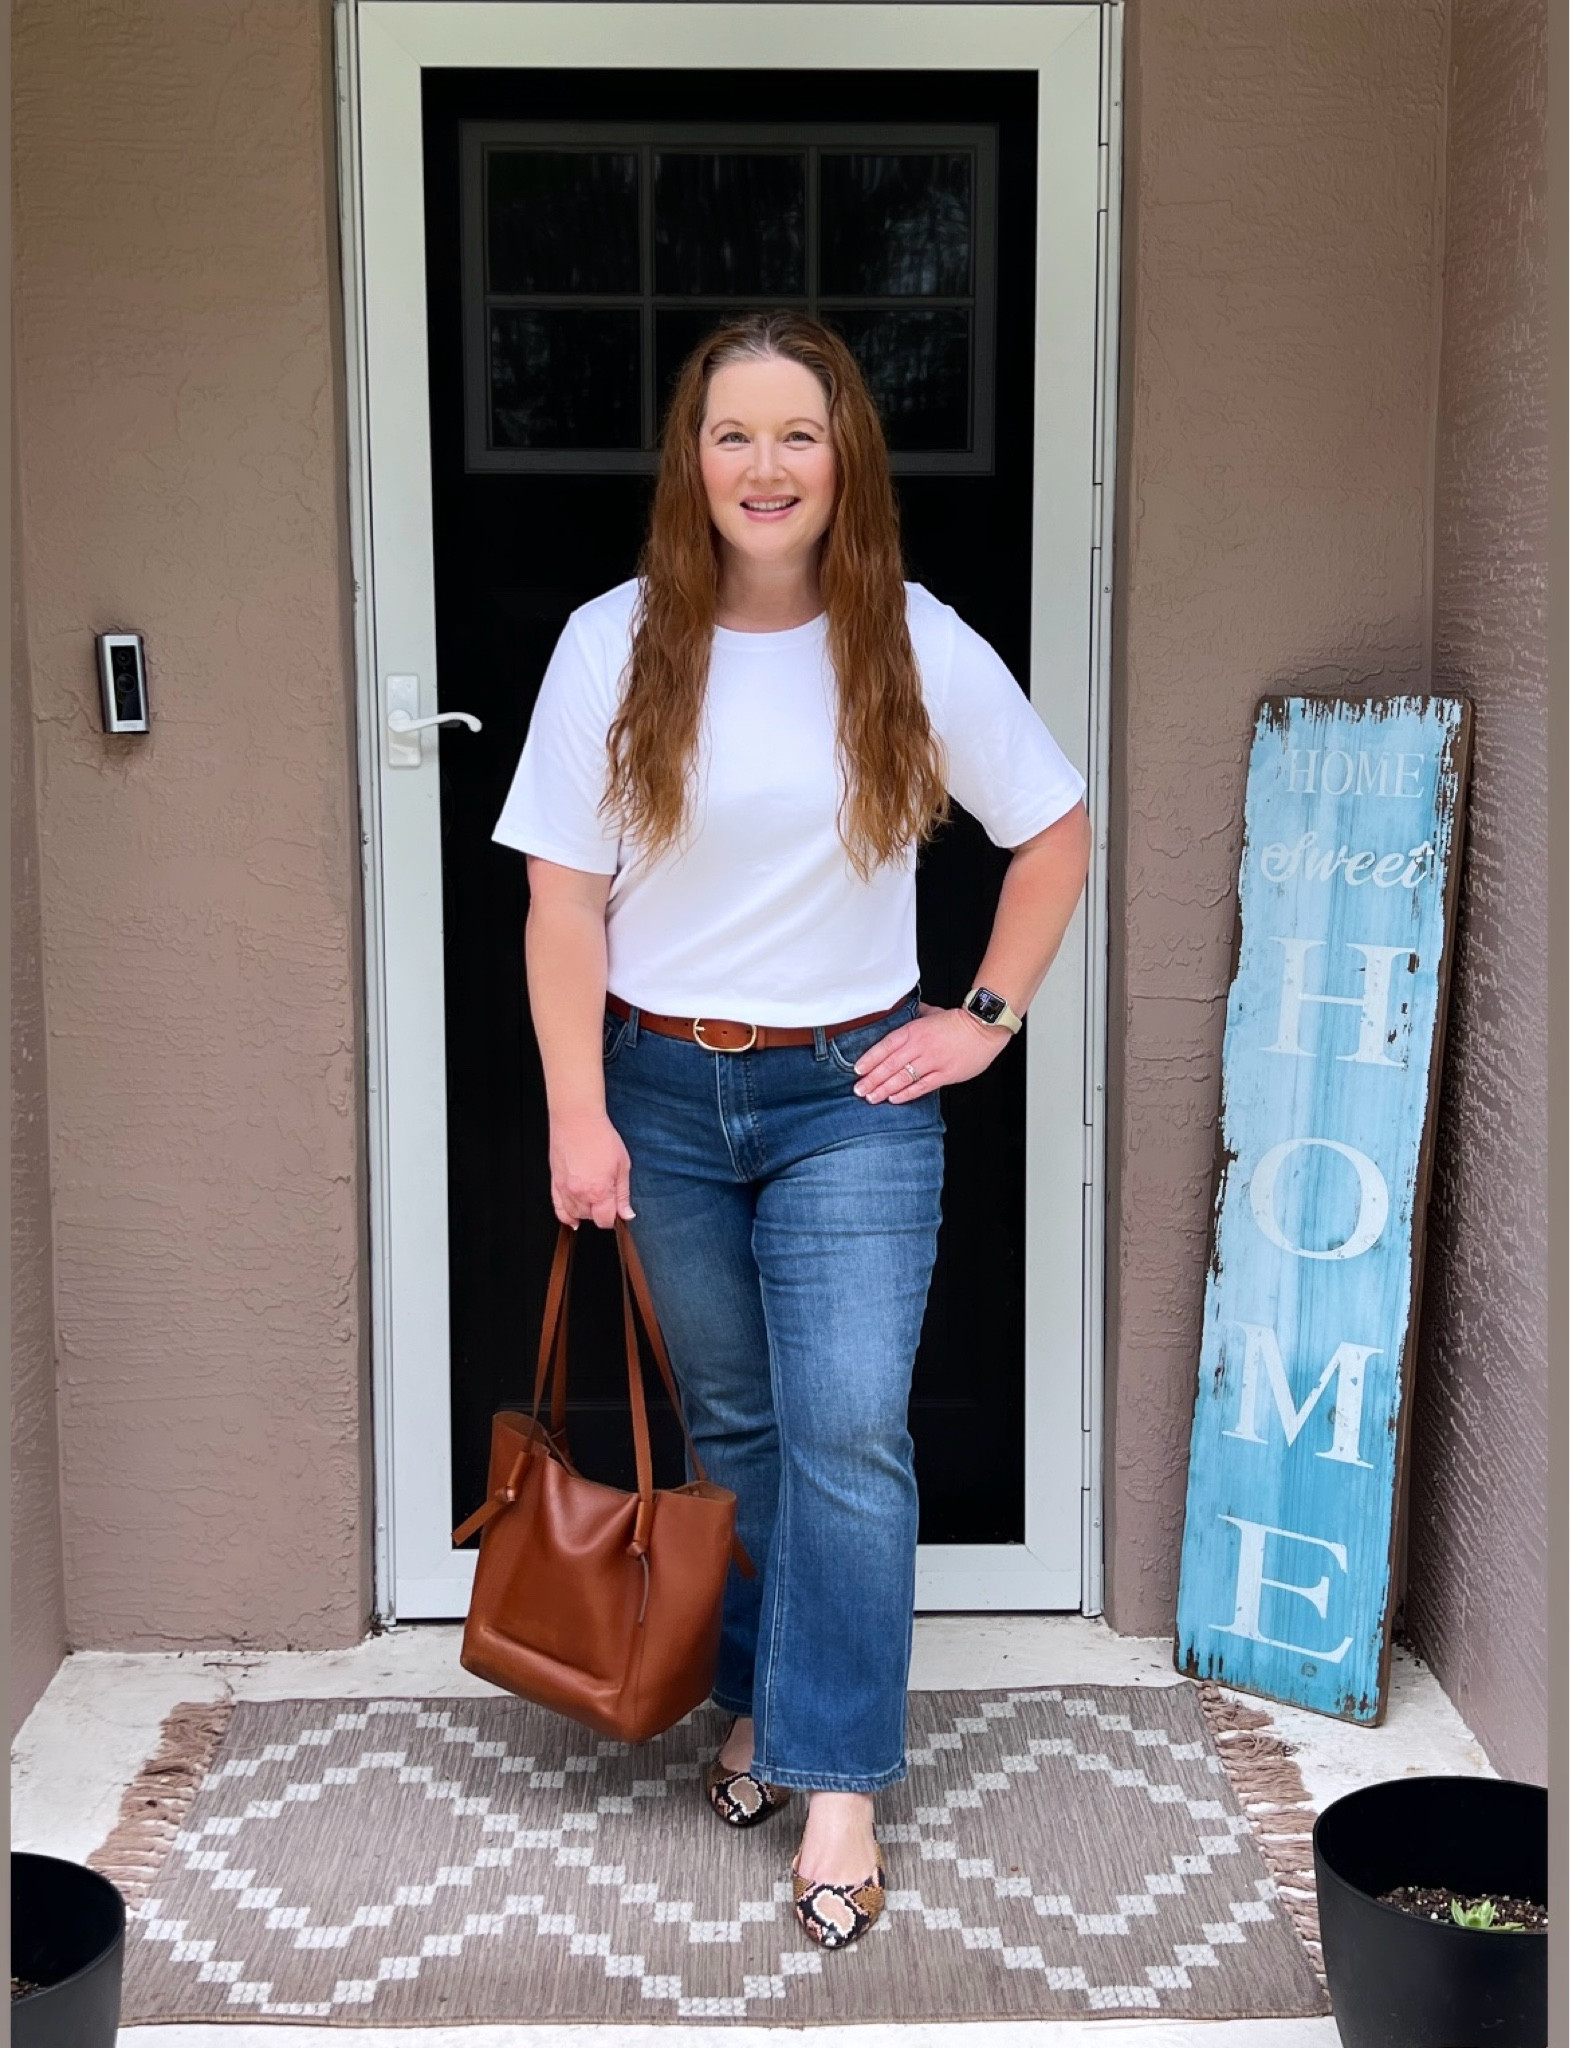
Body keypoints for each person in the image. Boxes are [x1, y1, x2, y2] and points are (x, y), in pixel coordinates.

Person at [492, 310, 1091, 1950]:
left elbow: (1051, 835)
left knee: (844, 1427)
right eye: (733, 435)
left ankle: (837, 1780)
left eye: (798, 436)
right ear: (693, 460)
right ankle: (756, 1700)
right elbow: (561, 903)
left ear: (845, 464)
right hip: (661, 1088)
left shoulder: (910, 639)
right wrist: (577, 1113)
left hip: (852, 1100)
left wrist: (978, 1020)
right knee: (738, 1429)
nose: (765, 466)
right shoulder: (609, 644)